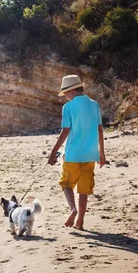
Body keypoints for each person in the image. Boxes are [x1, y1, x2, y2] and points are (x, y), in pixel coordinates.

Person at [47, 75, 106, 230]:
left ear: (72, 90)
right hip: (91, 155)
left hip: (73, 155)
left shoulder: (69, 107)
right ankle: (80, 221)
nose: (65, 96)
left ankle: (73, 209)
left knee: (66, 184)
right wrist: (102, 153)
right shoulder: (94, 105)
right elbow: (100, 129)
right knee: (83, 190)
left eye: (66, 93)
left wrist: (53, 152)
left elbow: (65, 131)